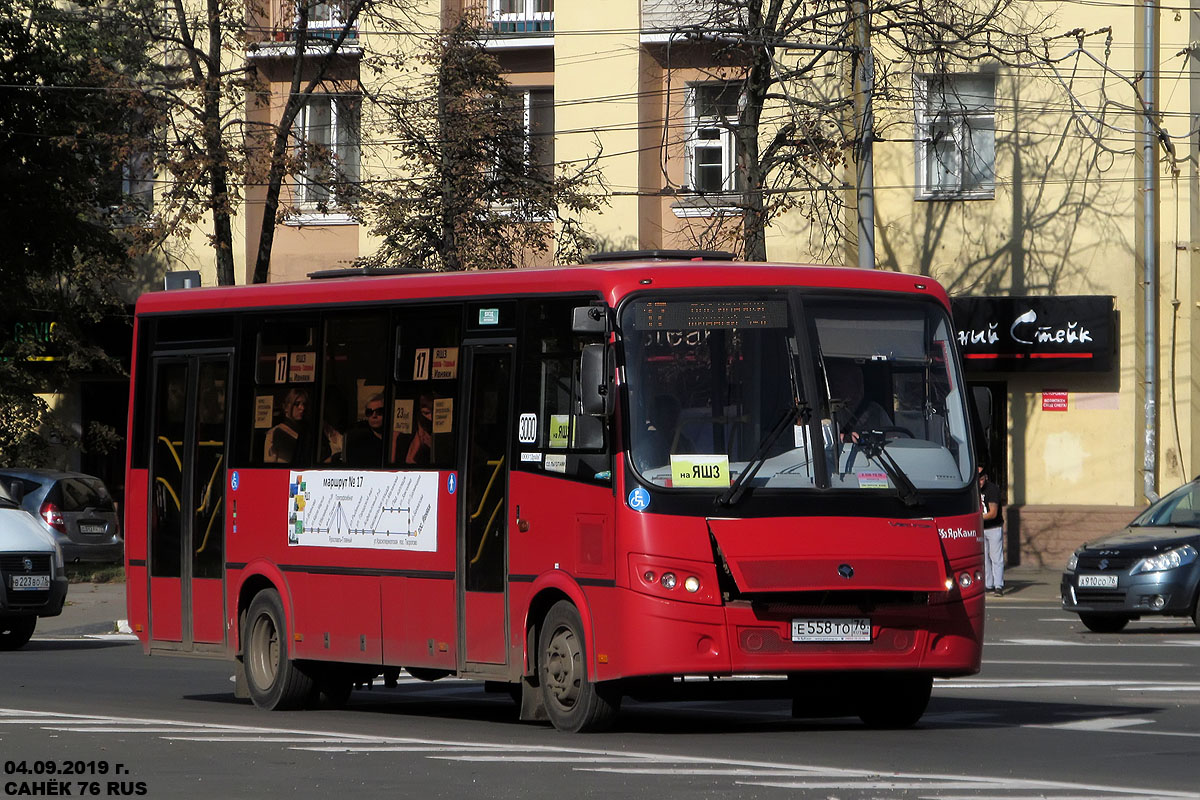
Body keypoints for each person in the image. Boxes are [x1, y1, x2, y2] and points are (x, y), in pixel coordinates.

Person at [825, 360, 892, 441]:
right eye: (834, 382)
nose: (836, 387)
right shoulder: (828, 412)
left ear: (859, 384)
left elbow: (894, 440)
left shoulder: (876, 411)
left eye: (841, 381)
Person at [264, 388, 310, 464]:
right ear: (286, 407)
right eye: (297, 404)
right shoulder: (274, 433)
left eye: (304, 404)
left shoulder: (307, 432)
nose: (302, 408)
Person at [979, 465, 1005, 596]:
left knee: (996, 557)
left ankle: (998, 585)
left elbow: (993, 513)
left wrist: (976, 518)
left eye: (981, 479)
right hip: (981, 528)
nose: (979, 482)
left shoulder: (992, 489)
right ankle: (988, 584)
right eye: (977, 479)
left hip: (994, 528)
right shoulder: (974, 490)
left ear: (986, 478)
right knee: (984, 557)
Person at [344, 393, 386, 467]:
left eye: (379, 411)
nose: (374, 415)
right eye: (369, 412)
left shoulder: (395, 438)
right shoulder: (358, 441)